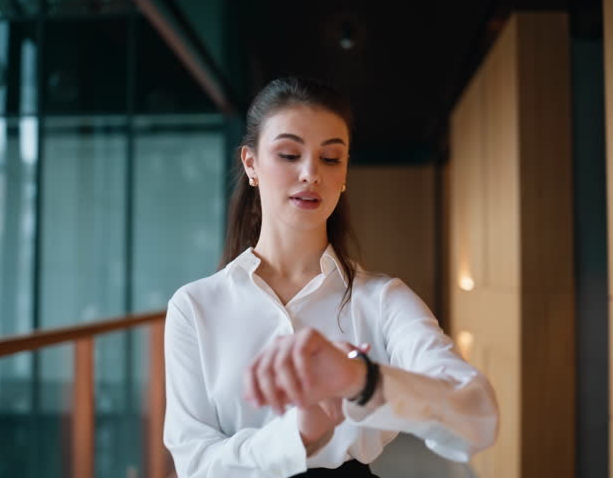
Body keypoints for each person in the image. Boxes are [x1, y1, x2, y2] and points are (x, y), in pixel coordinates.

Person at [163, 77, 499, 478]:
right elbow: (195, 464)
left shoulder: (383, 300)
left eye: (330, 158)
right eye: (289, 154)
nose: (310, 173)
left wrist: (362, 379)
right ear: (250, 164)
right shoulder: (195, 306)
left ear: (344, 174)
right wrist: (298, 436)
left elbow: (477, 420)